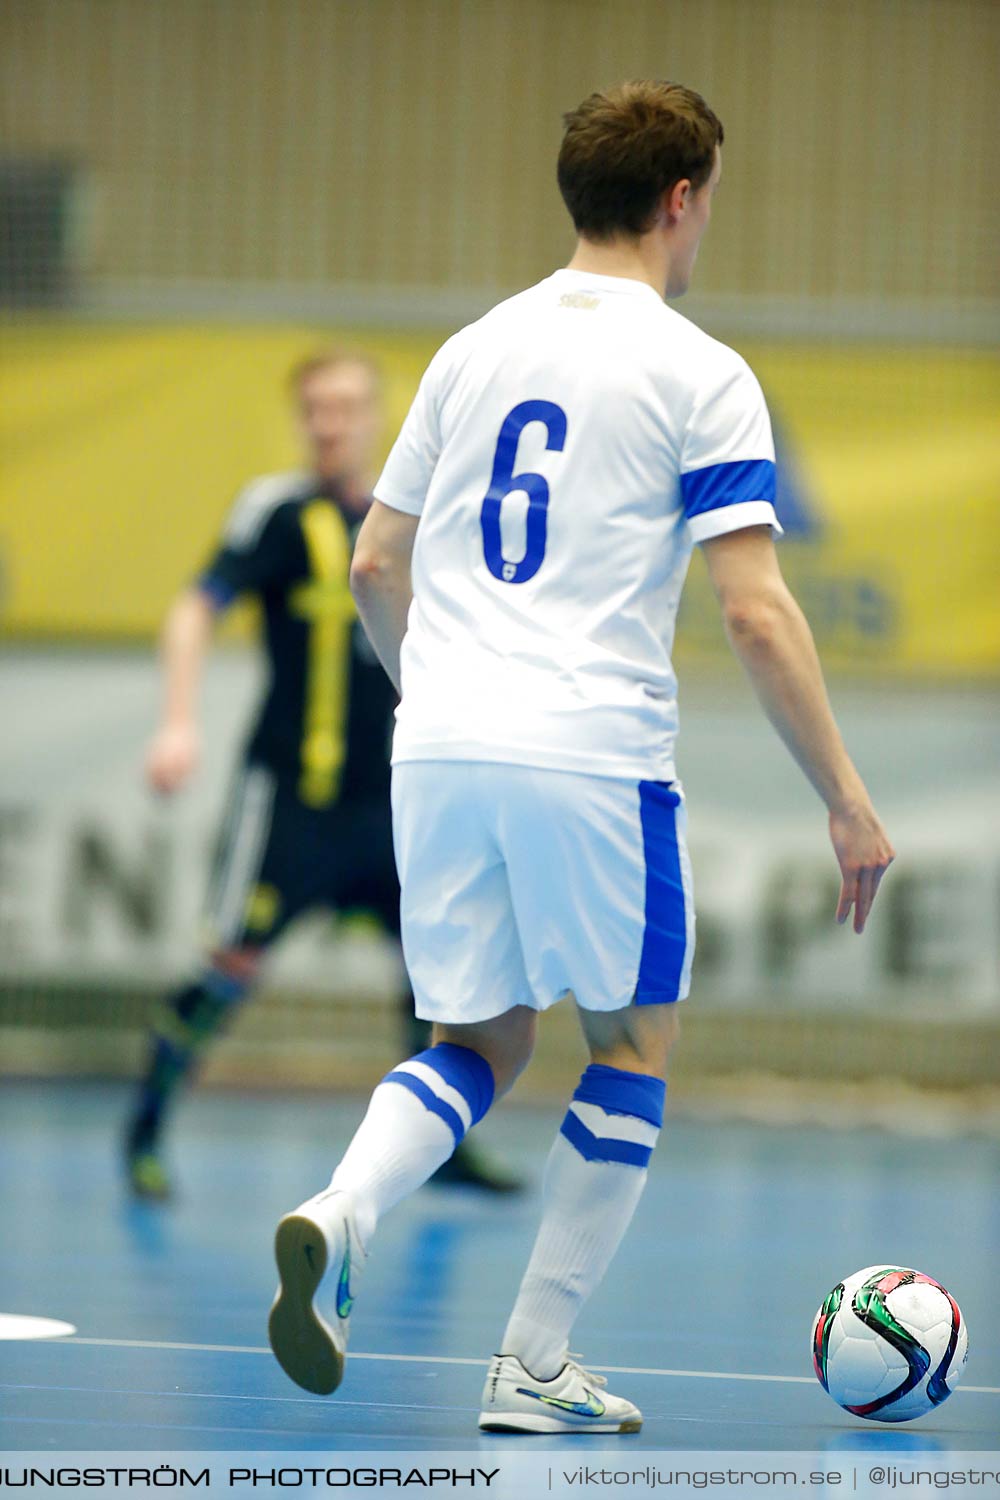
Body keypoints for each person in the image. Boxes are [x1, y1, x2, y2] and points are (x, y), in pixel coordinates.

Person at [266, 82, 895, 1434]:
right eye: (710, 195)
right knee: (632, 1041)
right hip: (592, 749)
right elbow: (752, 607)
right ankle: (533, 1361)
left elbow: (380, 559)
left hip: (434, 738)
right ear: (681, 200)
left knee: (481, 1034)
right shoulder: (700, 370)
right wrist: (846, 797)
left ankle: (338, 1209)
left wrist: (433, 692)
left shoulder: (470, 349)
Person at [123, 351, 522, 1201]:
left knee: (438, 974)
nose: (331, 424)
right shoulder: (276, 513)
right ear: (303, 421)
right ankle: (146, 1131)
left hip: (390, 797)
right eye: (316, 410)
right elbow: (196, 609)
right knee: (231, 958)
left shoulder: (418, 517)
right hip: (289, 804)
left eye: (345, 408)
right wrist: (177, 721)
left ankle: (442, 1146)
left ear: (375, 416)